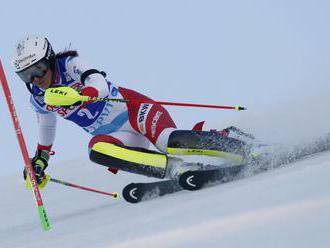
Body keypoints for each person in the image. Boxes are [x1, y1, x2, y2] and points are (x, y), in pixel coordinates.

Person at [12, 36, 255, 188]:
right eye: (26, 75)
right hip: (119, 135)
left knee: (170, 141)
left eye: (39, 69)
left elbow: (98, 82)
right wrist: (40, 160)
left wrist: (82, 94)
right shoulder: (39, 98)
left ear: (50, 60)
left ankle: (241, 146)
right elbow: (46, 128)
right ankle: (176, 169)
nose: (35, 78)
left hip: (133, 111)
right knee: (97, 150)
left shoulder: (70, 65)